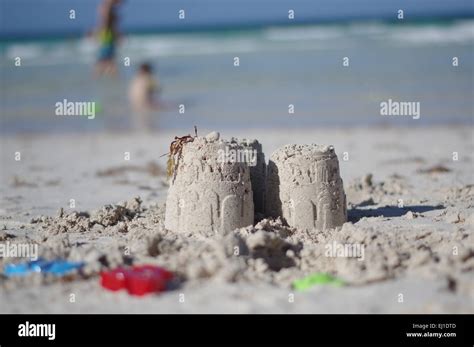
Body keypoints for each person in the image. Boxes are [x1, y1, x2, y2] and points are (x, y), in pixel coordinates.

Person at [128, 63, 161, 130]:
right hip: (145, 104)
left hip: (133, 105)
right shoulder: (149, 78)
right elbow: (158, 89)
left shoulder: (135, 79)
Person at [94, 0, 122, 77]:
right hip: (107, 36)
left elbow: (103, 22)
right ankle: (115, 80)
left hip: (106, 35)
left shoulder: (106, 6)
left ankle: (97, 80)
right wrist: (117, 34)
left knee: (104, 61)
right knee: (107, 61)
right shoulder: (108, 7)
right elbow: (105, 23)